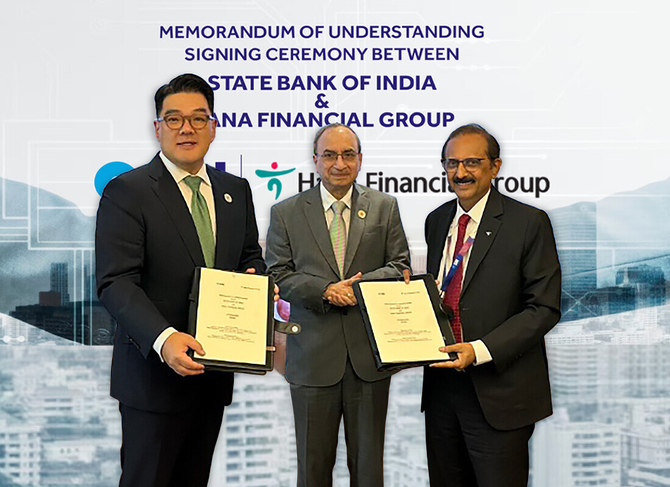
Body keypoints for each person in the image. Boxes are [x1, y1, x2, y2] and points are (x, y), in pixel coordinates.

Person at [95, 73, 266, 487]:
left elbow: (250, 257)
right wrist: (165, 338)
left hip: (213, 374)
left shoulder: (236, 190)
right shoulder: (128, 191)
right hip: (152, 378)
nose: (186, 128)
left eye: (198, 118)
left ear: (213, 126)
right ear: (158, 128)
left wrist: (258, 286)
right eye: (174, 119)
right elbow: (116, 282)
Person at [265, 123, 410, 487]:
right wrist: (326, 290)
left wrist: (356, 290)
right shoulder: (286, 212)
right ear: (315, 160)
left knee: (369, 472)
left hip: (369, 360)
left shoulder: (384, 207)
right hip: (311, 359)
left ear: (360, 159)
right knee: (312, 471)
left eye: (348, 155)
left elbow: (399, 266)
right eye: (329, 155)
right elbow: (278, 274)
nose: (339, 164)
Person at [422, 123, 561, 487]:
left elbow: (543, 308)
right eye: (452, 163)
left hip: (500, 391)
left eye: (472, 162)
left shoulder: (528, 222)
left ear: (495, 166)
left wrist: (480, 350)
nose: (460, 172)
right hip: (442, 389)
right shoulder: (437, 221)